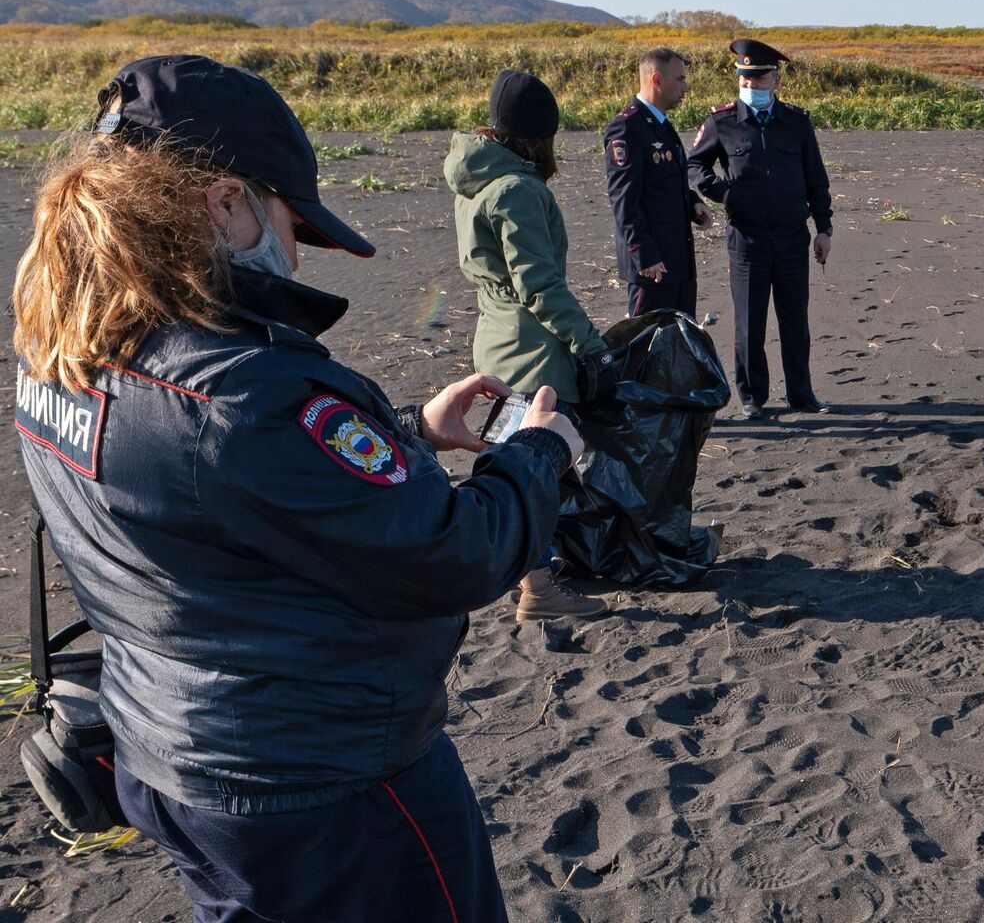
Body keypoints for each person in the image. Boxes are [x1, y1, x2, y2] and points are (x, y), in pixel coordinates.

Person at [12, 54, 584, 922]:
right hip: (319, 782)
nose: (293, 243)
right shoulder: (245, 392)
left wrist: (404, 436)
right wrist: (538, 455)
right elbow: (457, 555)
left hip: (169, 755)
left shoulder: (62, 352)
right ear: (227, 202)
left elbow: (209, 501)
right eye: (288, 216)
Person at [448, 69, 616, 619]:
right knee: (538, 464)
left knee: (514, 458)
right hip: (534, 349)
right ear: (541, 135)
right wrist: (590, 344)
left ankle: (534, 572)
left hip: (495, 340)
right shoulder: (518, 189)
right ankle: (539, 589)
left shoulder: (474, 181)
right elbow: (538, 285)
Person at [687, 38, 834, 420]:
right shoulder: (721, 121)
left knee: (795, 321)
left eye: (758, 78)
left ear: (775, 79)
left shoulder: (797, 122)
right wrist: (722, 193)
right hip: (746, 239)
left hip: (790, 237)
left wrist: (824, 228)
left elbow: (816, 180)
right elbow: (695, 166)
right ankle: (753, 396)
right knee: (749, 323)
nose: (751, 86)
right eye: (745, 79)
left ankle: (801, 393)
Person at [605, 46, 713, 316]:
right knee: (648, 348)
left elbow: (665, 183)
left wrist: (693, 204)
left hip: (677, 261)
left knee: (679, 344)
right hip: (652, 268)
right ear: (656, 80)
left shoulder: (660, 124)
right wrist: (644, 255)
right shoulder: (628, 128)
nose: (685, 87)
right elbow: (624, 201)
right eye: (680, 79)